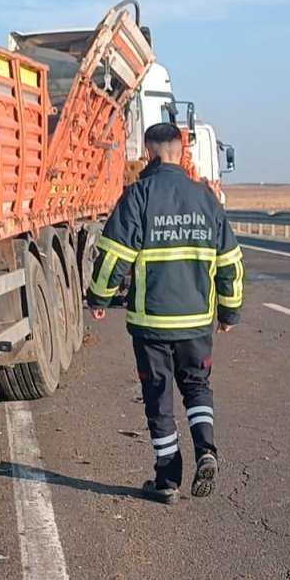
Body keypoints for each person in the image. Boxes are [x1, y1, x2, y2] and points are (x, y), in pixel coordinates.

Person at [86, 122, 245, 504]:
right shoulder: (206, 198)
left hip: (151, 322)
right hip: (195, 321)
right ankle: (206, 449)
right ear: (181, 148)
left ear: (147, 151)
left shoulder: (138, 195)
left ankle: (168, 479)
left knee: (159, 399)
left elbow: (113, 256)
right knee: (197, 387)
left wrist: (99, 297)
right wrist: (230, 311)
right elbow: (230, 262)